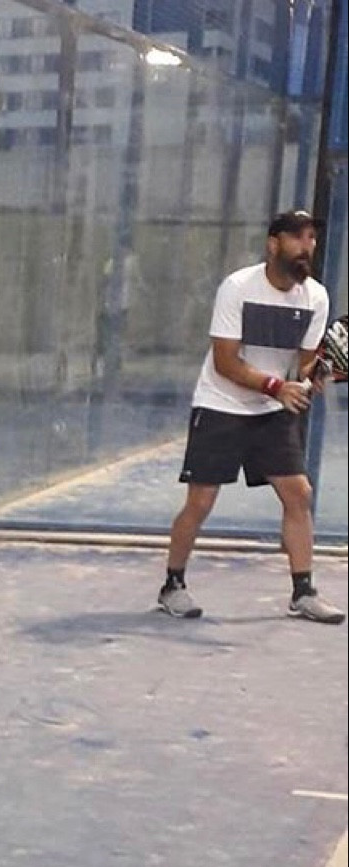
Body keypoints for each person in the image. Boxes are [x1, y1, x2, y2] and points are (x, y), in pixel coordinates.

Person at [157, 209, 343, 625]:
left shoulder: (316, 297)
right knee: (201, 501)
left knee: (298, 493)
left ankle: (303, 592)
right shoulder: (238, 287)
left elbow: (305, 363)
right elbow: (225, 361)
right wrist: (277, 387)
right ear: (273, 244)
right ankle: (172, 585)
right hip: (220, 404)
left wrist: (319, 373)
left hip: (271, 410)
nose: (306, 246)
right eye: (297, 237)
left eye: (311, 238)